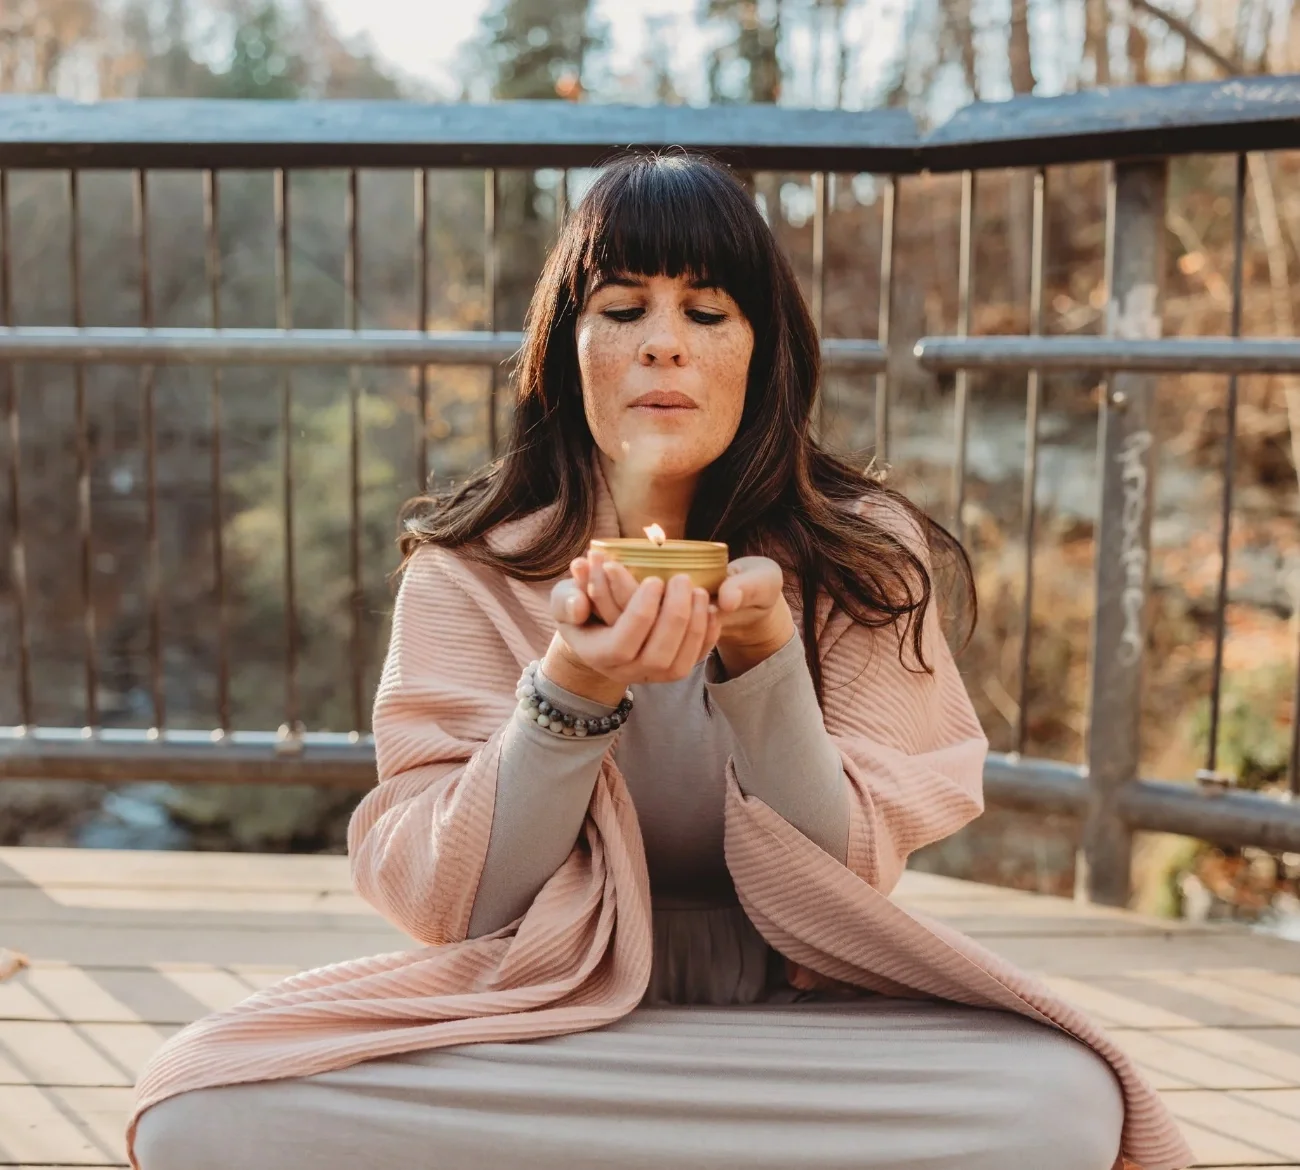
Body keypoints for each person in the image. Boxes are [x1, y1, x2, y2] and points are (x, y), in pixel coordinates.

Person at [129, 151, 1190, 1170]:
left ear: (760, 350)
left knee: (1060, 1102)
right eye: (622, 310)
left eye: (706, 312)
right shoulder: (467, 571)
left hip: (801, 1028)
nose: (662, 346)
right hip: (540, 1013)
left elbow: (848, 878)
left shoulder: (858, 558)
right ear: (565, 350)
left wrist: (767, 671)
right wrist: (567, 695)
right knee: (202, 1107)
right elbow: (453, 907)